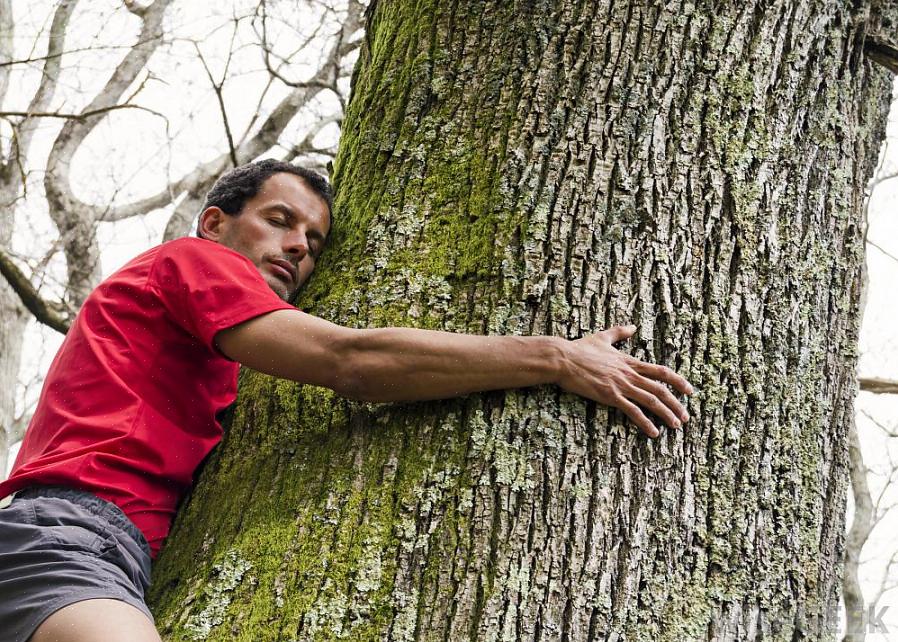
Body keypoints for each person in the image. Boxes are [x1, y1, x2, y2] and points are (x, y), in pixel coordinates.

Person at [0, 159, 693, 642]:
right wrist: (557, 358)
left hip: (94, 549)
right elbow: (352, 362)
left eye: (313, 240)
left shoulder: (204, 342)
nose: (298, 246)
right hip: (68, 536)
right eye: (279, 220)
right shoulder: (192, 262)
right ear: (214, 222)